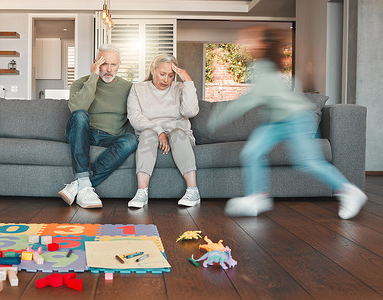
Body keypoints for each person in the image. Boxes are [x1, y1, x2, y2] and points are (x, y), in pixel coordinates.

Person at [208, 26, 367, 219]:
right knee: (252, 152)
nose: (246, 44)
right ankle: (256, 197)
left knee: (307, 161)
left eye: (251, 40)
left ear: (264, 45)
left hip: (296, 120)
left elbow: (249, 100)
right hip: (276, 123)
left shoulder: (264, 68)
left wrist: (216, 118)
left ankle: (350, 192)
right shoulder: (261, 66)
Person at [58, 44, 137, 209]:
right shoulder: (80, 83)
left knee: (130, 140)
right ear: (96, 63)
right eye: (103, 63)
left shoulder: (129, 88)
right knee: (80, 115)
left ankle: (81, 184)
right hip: (83, 132)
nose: (108, 69)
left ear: (119, 65)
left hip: (110, 136)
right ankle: (84, 186)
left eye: (113, 64)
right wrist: (93, 77)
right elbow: (77, 108)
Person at [126, 53, 200, 208]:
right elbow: (134, 117)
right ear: (153, 70)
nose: (166, 80)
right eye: (162, 74)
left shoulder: (180, 87)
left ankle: (193, 191)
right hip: (150, 135)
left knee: (178, 134)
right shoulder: (138, 88)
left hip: (179, 134)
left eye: (171, 76)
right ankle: (141, 193)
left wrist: (187, 80)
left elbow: (190, 112)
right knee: (147, 134)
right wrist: (159, 131)